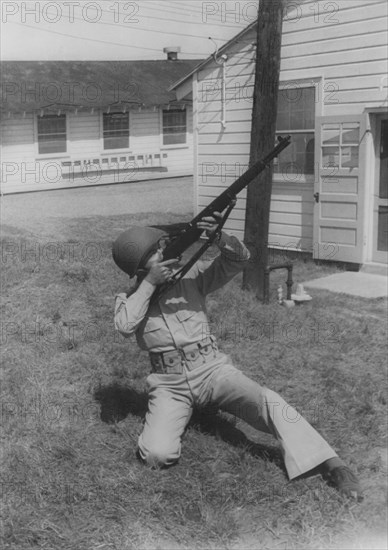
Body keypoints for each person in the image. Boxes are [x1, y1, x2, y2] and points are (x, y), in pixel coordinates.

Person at [112, 215, 363, 502]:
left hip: (213, 371)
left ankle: (332, 464)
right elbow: (124, 326)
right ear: (141, 265)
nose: (166, 252)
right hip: (170, 385)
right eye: (157, 251)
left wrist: (219, 238)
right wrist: (149, 285)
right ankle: (193, 410)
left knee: (268, 400)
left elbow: (239, 259)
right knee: (156, 455)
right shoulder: (129, 297)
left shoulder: (191, 276)